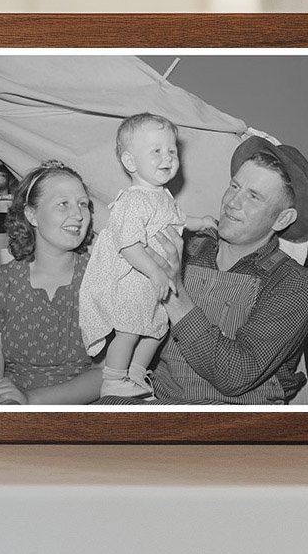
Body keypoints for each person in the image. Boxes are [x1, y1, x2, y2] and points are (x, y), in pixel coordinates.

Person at [148, 135, 308, 405]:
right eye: (235, 186)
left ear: (282, 219)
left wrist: (174, 294)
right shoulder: (186, 250)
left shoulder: (293, 284)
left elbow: (236, 375)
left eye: (253, 197)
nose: (232, 202)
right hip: (161, 405)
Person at [78, 113, 216, 398]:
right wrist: (154, 271)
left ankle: (136, 374)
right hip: (134, 279)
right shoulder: (133, 199)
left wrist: (199, 221)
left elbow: (177, 219)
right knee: (128, 330)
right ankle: (114, 379)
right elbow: (127, 245)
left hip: (154, 283)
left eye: (172, 151)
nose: (167, 158)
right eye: (156, 151)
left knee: (156, 330)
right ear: (131, 162)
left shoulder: (162, 196)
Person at [0, 160, 103, 406]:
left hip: (88, 406)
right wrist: (3, 401)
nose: (78, 215)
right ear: (31, 214)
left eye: (83, 204)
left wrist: (30, 400)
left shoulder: (101, 279)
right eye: (63, 204)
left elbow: (107, 373)